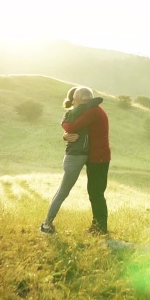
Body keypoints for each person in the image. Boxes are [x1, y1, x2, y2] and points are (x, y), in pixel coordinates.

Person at [39, 87, 102, 234]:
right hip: (75, 157)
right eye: (76, 99)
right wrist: (65, 133)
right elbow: (94, 102)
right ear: (79, 101)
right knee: (63, 192)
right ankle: (46, 225)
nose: (88, 102)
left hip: (75, 156)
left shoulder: (78, 112)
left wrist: (65, 133)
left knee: (62, 191)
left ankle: (47, 224)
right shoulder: (78, 112)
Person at [62, 87, 111, 235]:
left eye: (76, 101)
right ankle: (97, 226)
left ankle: (100, 228)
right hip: (98, 156)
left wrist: (63, 123)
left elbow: (72, 126)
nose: (76, 104)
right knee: (95, 192)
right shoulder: (93, 109)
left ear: (81, 100)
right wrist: (65, 135)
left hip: (99, 157)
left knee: (96, 193)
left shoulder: (92, 111)